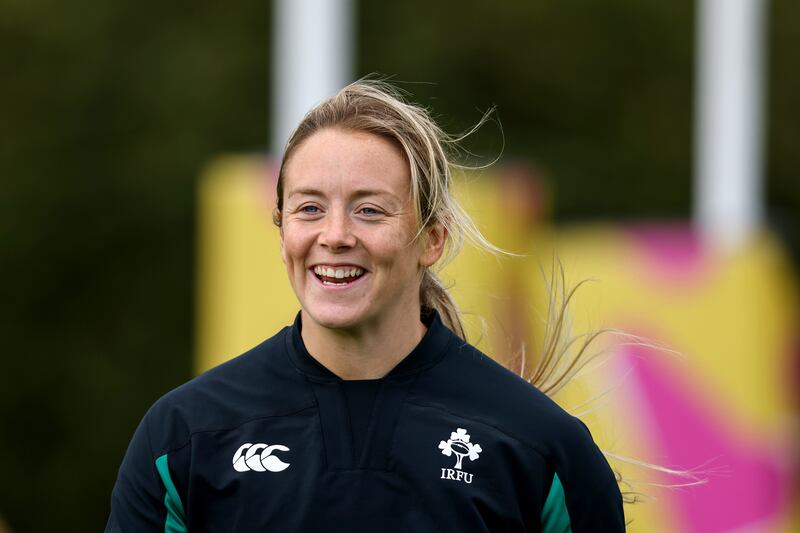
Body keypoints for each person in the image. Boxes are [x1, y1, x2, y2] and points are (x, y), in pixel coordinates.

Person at [106, 79, 626, 532]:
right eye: (309, 208)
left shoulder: (540, 448)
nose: (334, 236)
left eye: (369, 210)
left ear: (431, 240)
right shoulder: (185, 437)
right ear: (282, 228)